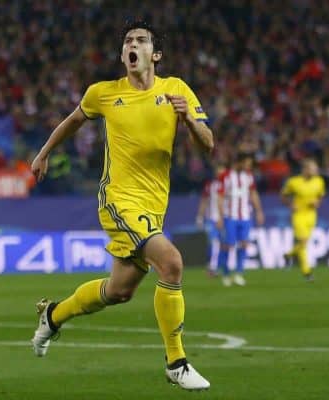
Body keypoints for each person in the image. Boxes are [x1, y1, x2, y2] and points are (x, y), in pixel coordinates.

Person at [30, 20, 213, 390]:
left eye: (141, 40)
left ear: (154, 54)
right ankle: (176, 361)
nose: (133, 45)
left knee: (119, 291)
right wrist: (44, 153)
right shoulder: (103, 93)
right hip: (118, 199)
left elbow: (207, 144)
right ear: (123, 54)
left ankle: (53, 314)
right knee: (172, 262)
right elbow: (73, 121)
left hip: (153, 204)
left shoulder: (176, 89)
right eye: (128, 41)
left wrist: (189, 120)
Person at [216, 153, 264, 287]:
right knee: (227, 244)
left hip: (245, 216)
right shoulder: (225, 176)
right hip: (229, 216)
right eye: (247, 163)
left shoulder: (248, 176)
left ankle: (238, 273)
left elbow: (253, 193)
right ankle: (225, 274)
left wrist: (259, 211)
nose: (249, 166)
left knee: (244, 243)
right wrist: (219, 216)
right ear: (239, 162)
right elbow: (219, 197)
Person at [281, 158, 326, 281]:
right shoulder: (294, 182)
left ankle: (288, 255)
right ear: (305, 169)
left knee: (303, 243)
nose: (316, 170)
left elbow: (320, 196)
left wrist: (317, 203)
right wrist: (290, 205)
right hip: (298, 215)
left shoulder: (319, 181)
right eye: (313, 168)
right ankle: (307, 272)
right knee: (303, 242)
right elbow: (283, 196)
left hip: (311, 215)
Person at [195, 163, 226, 276]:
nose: (220, 172)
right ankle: (212, 268)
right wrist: (200, 216)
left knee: (225, 244)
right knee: (215, 243)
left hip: (228, 218)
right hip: (213, 218)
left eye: (222, 169)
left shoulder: (229, 184)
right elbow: (204, 201)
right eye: (219, 170)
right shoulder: (210, 185)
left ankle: (222, 266)